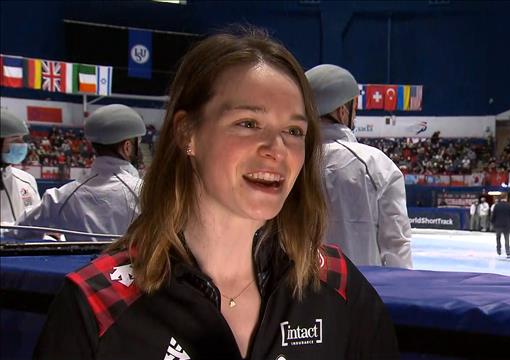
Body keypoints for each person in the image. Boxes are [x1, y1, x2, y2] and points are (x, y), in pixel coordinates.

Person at [34, 28, 399, 359]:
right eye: (248, 123)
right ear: (186, 133)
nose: (277, 148)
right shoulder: (98, 307)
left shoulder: (338, 285)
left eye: (293, 130)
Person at [306, 64, 412, 268]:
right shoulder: (375, 164)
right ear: (342, 112)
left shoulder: (290, 160)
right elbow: (397, 245)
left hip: (298, 293)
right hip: (362, 292)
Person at [19, 104, 145, 241]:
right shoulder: (145, 193)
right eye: (137, 144)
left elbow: (19, 229)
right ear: (127, 147)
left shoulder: (62, 196)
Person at [1, 109, 41, 226]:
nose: (22, 144)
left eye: (22, 139)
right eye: (15, 139)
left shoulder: (27, 180)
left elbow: (36, 223)